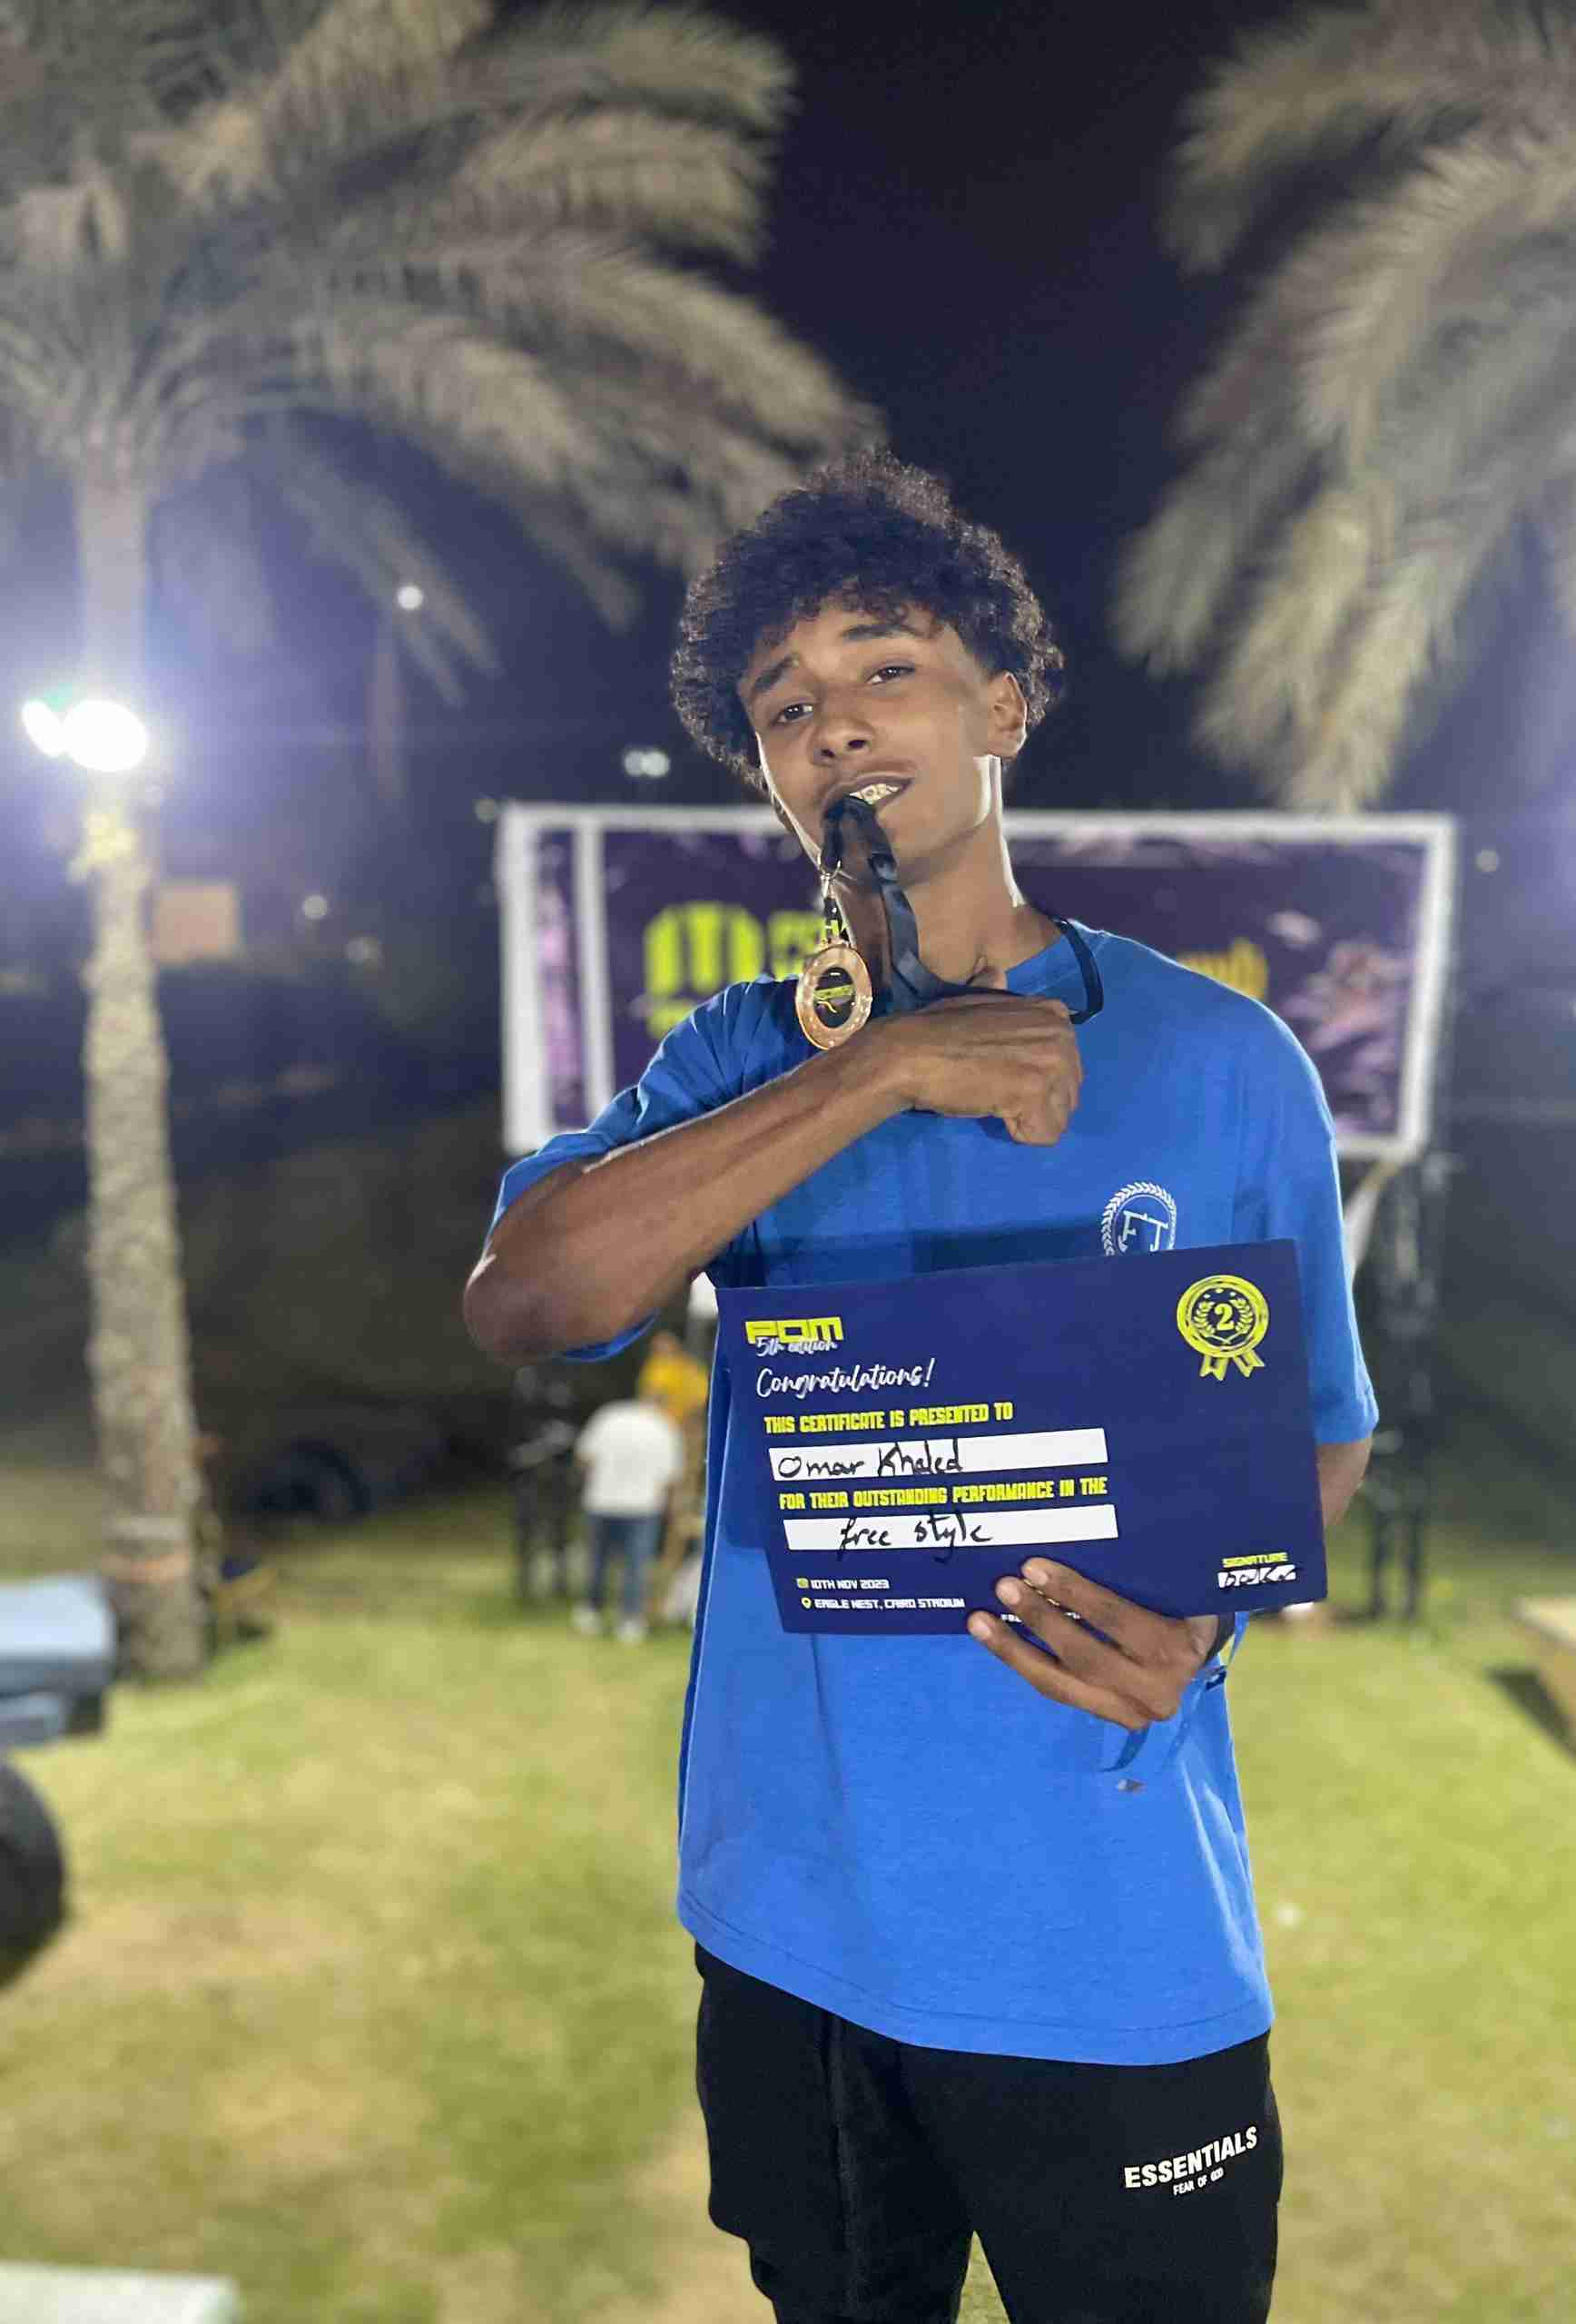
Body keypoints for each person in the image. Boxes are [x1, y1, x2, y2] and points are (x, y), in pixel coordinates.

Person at [465, 451, 1376, 2324]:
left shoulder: (1223, 1060)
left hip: (1103, 1936)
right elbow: (529, 1296)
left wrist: (1204, 1615)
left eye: (884, 669)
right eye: (783, 707)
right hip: (792, 1932)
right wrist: (877, 1069)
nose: (834, 725)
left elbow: (1319, 1431)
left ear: (1003, 709)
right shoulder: (742, 1057)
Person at [569, 1394, 683, 1644]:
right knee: (636, 1565)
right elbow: (670, 1478)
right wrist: (671, 1511)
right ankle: (630, 1621)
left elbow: (584, 1458)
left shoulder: (608, 1415)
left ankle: (591, 1612)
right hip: (643, 1506)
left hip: (601, 1500)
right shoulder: (666, 1428)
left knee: (597, 1560)